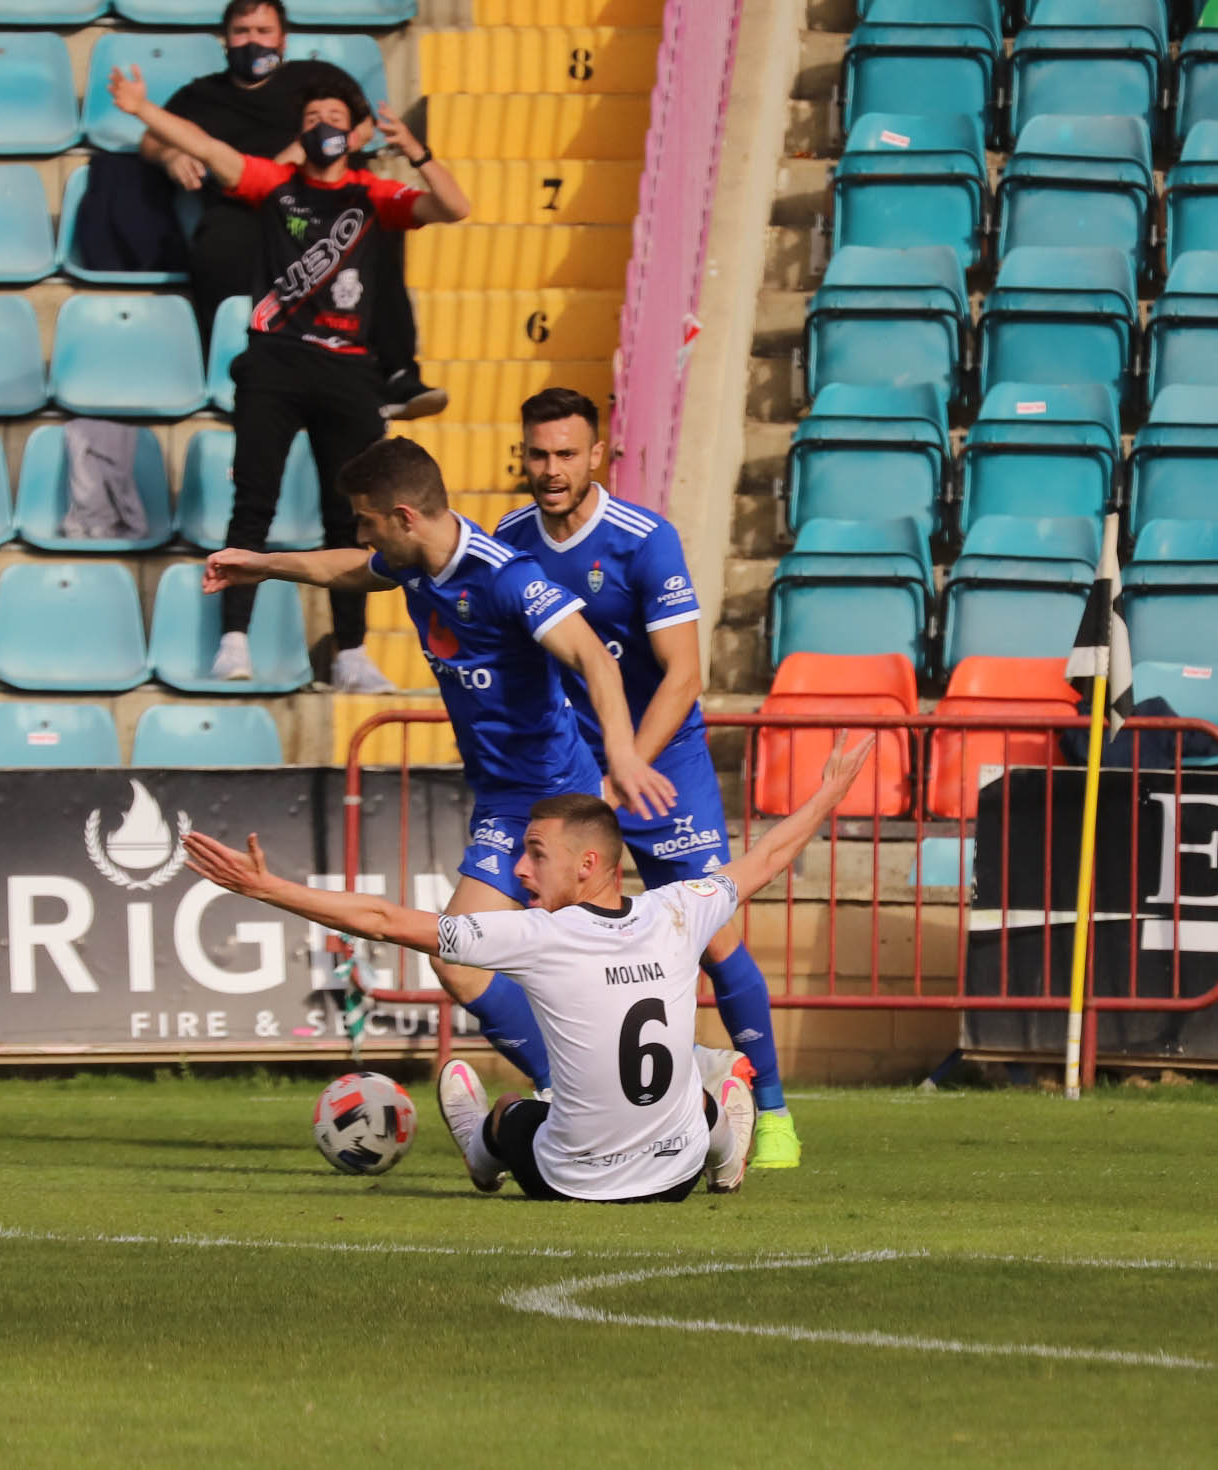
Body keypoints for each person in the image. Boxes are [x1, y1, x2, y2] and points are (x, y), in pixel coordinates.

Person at [183, 732, 877, 1202]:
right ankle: (722, 1141)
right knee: (689, 1094)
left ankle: (482, 1151)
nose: (518, 867)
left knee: (517, 1112)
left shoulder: (536, 935)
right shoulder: (680, 908)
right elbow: (766, 857)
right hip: (673, 1180)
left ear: (586, 865)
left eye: (534, 853)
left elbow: (386, 920)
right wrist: (826, 793)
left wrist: (267, 889)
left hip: (569, 1180)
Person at [203, 436, 677, 1089]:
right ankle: (645, 1084)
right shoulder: (414, 563)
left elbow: (593, 657)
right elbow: (349, 568)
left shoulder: (504, 576)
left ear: (403, 516)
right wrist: (263, 565)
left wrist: (621, 754)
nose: (360, 532)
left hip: (547, 794)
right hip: (502, 794)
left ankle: (579, 1090)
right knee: (545, 970)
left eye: (367, 520)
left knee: (472, 962)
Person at [492, 388, 803, 1169]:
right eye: (538, 454)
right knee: (522, 936)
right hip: (568, 778)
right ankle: (570, 1092)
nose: (551, 469)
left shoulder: (643, 542)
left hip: (659, 769)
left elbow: (684, 675)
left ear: (598, 455)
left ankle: (769, 1112)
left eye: (566, 453)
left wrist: (621, 767)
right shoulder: (508, 540)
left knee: (714, 939)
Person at [109, 67, 469, 694]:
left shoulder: (372, 194)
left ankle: (351, 654)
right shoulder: (276, 184)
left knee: (352, 517)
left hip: (350, 372)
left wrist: (416, 150)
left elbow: (453, 206)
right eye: (310, 121)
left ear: (351, 131)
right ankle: (234, 640)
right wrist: (142, 109)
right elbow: (207, 148)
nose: (322, 128)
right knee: (253, 504)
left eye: (333, 118)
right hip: (273, 363)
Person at [141, 0, 445, 421]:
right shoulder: (201, 95)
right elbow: (150, 139)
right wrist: (171, 153)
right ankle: (235, 370)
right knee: (216, 249)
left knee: (374, 237)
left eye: (263, 31)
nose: (253, 41)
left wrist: (309, 153)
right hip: (244, 207)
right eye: (242, 32)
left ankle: (395, 373)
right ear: (225, 40)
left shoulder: (317, 80)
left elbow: (363, 124)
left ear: (283, 39)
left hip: (324, 199)